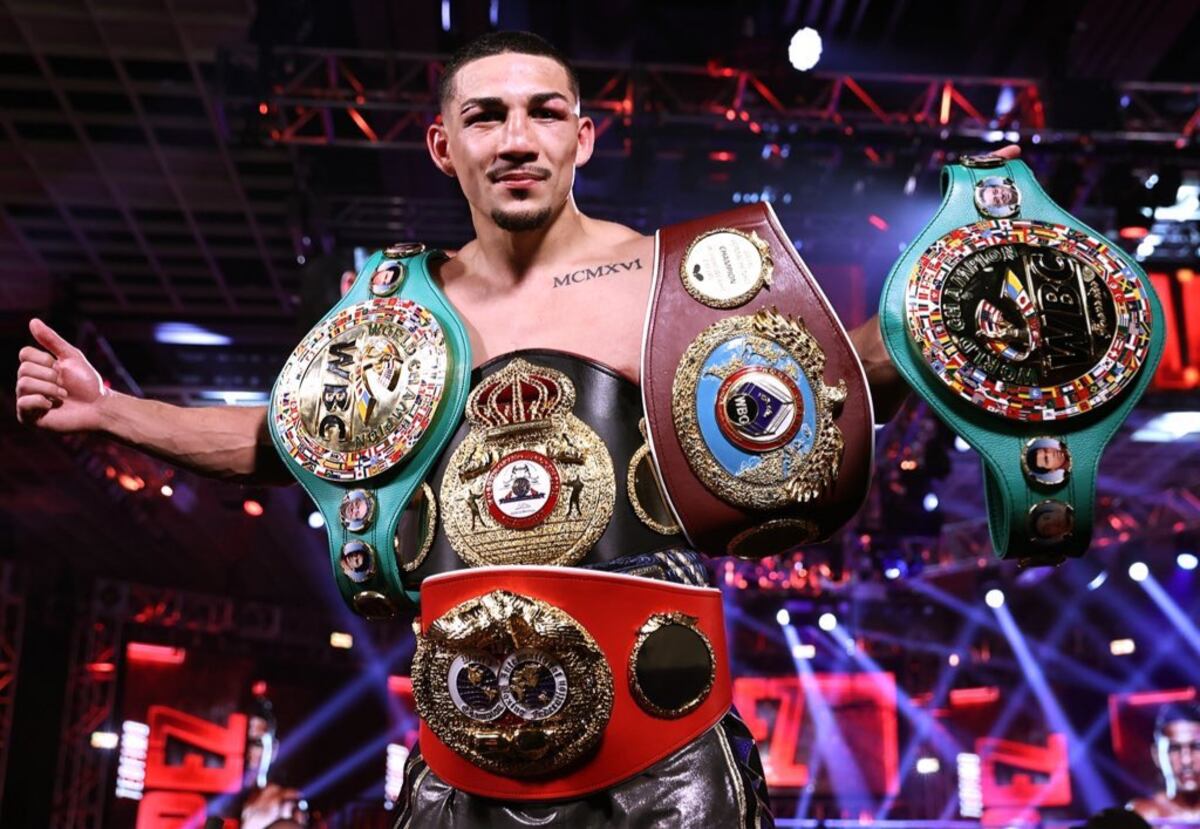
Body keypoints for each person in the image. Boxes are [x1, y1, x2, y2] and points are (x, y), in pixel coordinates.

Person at [15, 29, 1023, 829]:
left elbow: (824, 384)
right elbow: (293, 447)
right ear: (444, 144)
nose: (517, 138)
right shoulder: (399, 321)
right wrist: (110, 411)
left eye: (544, 113)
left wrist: (943, 319)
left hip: (663, 755)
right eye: (486, 116)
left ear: (582, 137)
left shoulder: (670, 277)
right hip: (467, 753)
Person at [1128, 701, 1200, 822]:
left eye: (1197, 747)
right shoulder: (1143, 815)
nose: (1186, 761)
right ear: (1156, 755)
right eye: (1174, 749)